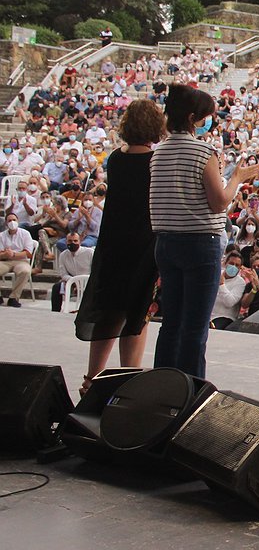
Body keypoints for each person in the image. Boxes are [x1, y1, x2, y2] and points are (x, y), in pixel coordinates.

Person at [151, 86, 259, 379]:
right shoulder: (202, 151)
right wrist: (236, 176)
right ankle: (190, 391)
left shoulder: (158, 150)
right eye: (207, 117)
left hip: (165, 242)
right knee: (196, 327)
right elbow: (220, 202)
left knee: (171, 322)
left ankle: (161, 385)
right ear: (192, 118)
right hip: (199, 242)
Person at [74, 100, 166, 393]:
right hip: (143, 246)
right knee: (137, 314)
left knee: (109, 311)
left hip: (113, 245)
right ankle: (127, 382)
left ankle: (92, 379)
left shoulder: (115, 158)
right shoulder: (156, 160)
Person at [0, 213, 35, 307]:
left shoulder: (25, 234)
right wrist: (5, 254)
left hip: (21, 260)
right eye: (9, 220)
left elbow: (28, 253)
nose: (12, 222)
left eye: (14, 220)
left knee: (25, 271)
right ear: (6, 223)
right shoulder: (1, 235)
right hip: (5, 261)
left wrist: (13, 254)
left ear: (18, 221)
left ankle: (13, 297)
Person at [54, 232, 93, 312]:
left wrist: (81, 282)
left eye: (75, 241)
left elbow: (95, 270)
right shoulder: (63, 255)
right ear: (66, 242)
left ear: (80, 241)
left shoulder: (89, 253)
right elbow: (63, 274)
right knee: (56, 287)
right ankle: (55, 312)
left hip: (88, 281)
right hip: (71, 282)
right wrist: (73, 281)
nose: (73, 243)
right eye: (70, 241)